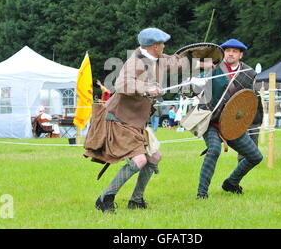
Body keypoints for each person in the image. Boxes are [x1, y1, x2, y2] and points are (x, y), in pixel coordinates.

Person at [84, 27, 192, 213]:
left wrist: (205, 63)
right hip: (119, 121)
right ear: (155, 46)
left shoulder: (158, 59)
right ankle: (104, 199)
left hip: (135, 123)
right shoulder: (134, 63)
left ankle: (136, 200)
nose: (164, 46)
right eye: (162, 44)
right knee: (140, 160)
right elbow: (121, 84)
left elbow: (178, 62)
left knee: (154, 157)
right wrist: (146, 88)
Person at [196, 38, 263, 199]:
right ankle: (201, 193)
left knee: (255, 156)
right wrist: (201, 78)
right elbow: (195, 89)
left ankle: (231, 183)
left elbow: (251, 101)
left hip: (233, 124)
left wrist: (253, 122)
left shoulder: (249, 74)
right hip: (212, 122)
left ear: (240, 54)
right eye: (227, 50)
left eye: (234, 51)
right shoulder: (214, 69)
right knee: (213, 150)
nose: (230, 53)